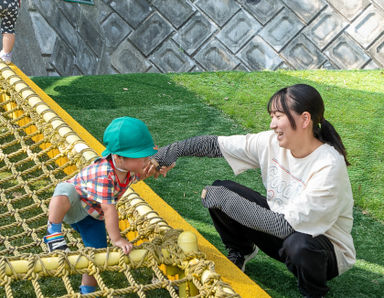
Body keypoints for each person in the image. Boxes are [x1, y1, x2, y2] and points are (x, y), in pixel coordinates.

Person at [148, 84, 356, 297]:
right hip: (283, 231)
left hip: (323, 251)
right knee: (222, 188)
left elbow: (285, 227)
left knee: (298, 244)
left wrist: (226, 201)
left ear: (305, 119)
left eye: (278, 116)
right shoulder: (271, 141)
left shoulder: (329, 165)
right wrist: (169, 153)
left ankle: (313, 292)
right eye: (272, 116)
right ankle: (241, 250)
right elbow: (215, 145)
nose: (272, 124)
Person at [43, 117, 159, 295]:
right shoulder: (104, 174)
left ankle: (87, 291)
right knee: (65, 189)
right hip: (76, 205)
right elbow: (109, 208)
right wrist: (117, 239)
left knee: (97, 258)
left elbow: (142, 174)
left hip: (93, 217)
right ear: (118, 157)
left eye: (146, 156)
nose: (146, 160)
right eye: (141, 157)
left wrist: (156, 169)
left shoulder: (127, 170)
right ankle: (53, 231)